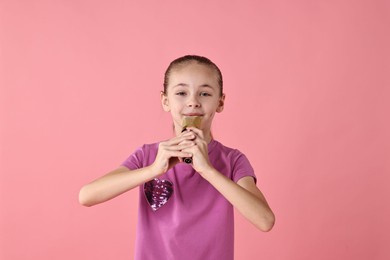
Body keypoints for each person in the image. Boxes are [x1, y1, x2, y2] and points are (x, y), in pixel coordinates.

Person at [79, 55, 275, 260]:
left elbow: (265, 220)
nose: (193, 102)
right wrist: (154, 170)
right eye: (181, 93)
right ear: (165, 101)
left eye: (205, 93)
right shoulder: (148, 155)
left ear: (220, 102)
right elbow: (87, 196)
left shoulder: (233, 160)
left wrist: (208, 170)